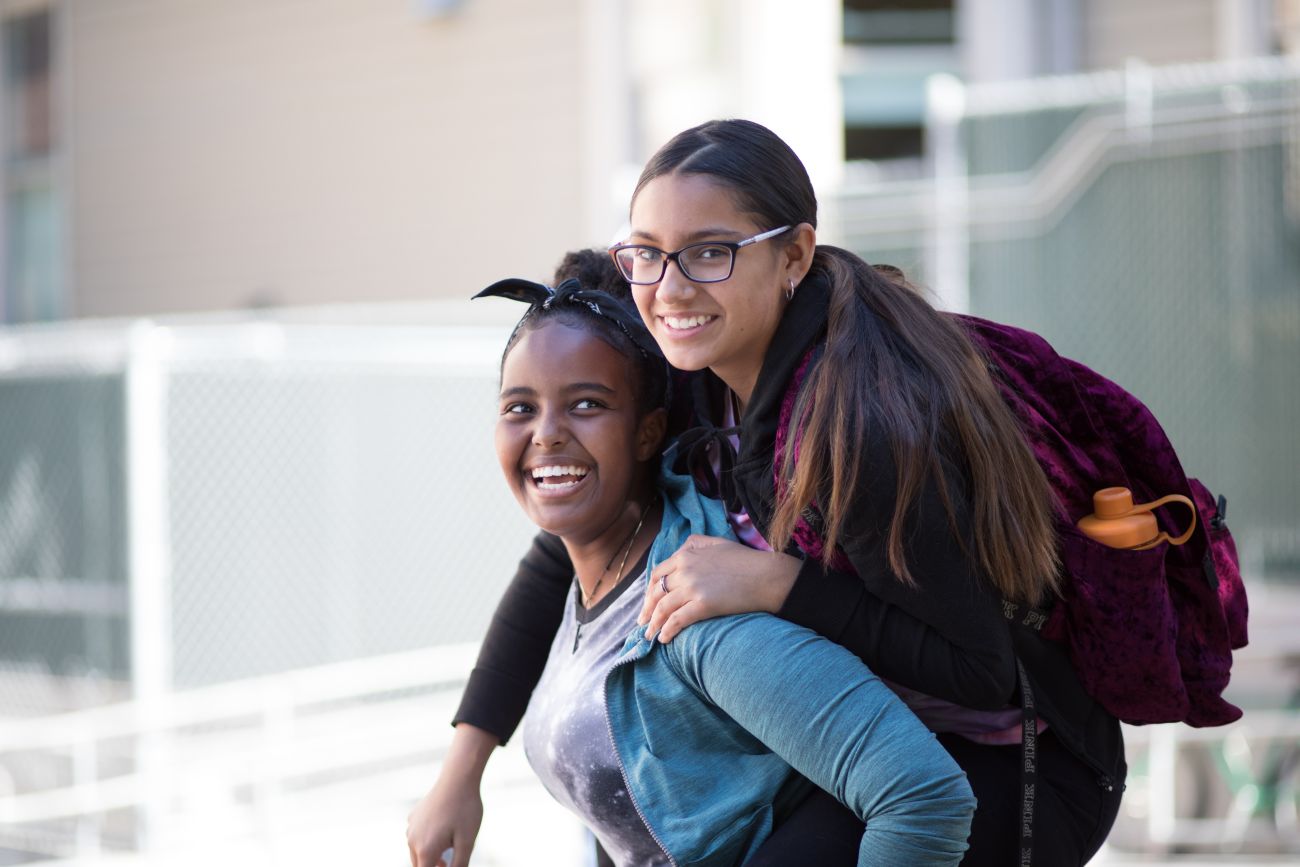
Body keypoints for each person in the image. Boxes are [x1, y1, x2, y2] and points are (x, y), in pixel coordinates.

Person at [413, 118, 1128, 867]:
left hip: (1017, 755)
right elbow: (560, 555)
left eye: (709, 253)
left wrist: (779, 583)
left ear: (794, 255)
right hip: (877, 737)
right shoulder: (700, 374)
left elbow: (980, 669)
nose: (671, 287)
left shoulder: (857, 427)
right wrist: (463, 768)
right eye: (648, 256)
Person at [409, 276, 975, 867]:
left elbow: (923, 795)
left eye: (586, 404)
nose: (547, 433)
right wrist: (461, 772)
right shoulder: (592, 567)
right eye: (520, 408)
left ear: (648, 432)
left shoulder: (695, 615)